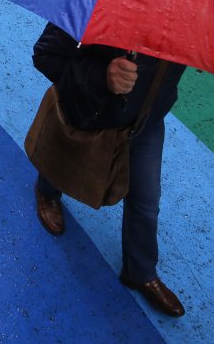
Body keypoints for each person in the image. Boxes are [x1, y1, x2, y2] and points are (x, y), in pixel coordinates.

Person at [31, 22, 188, 317]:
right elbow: (46, 55)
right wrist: (102, 77)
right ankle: (47, 192)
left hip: (146, 122)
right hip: (93, 112)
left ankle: (140, 272)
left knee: (146, 199)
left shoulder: (192, 16)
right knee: (62, 160)